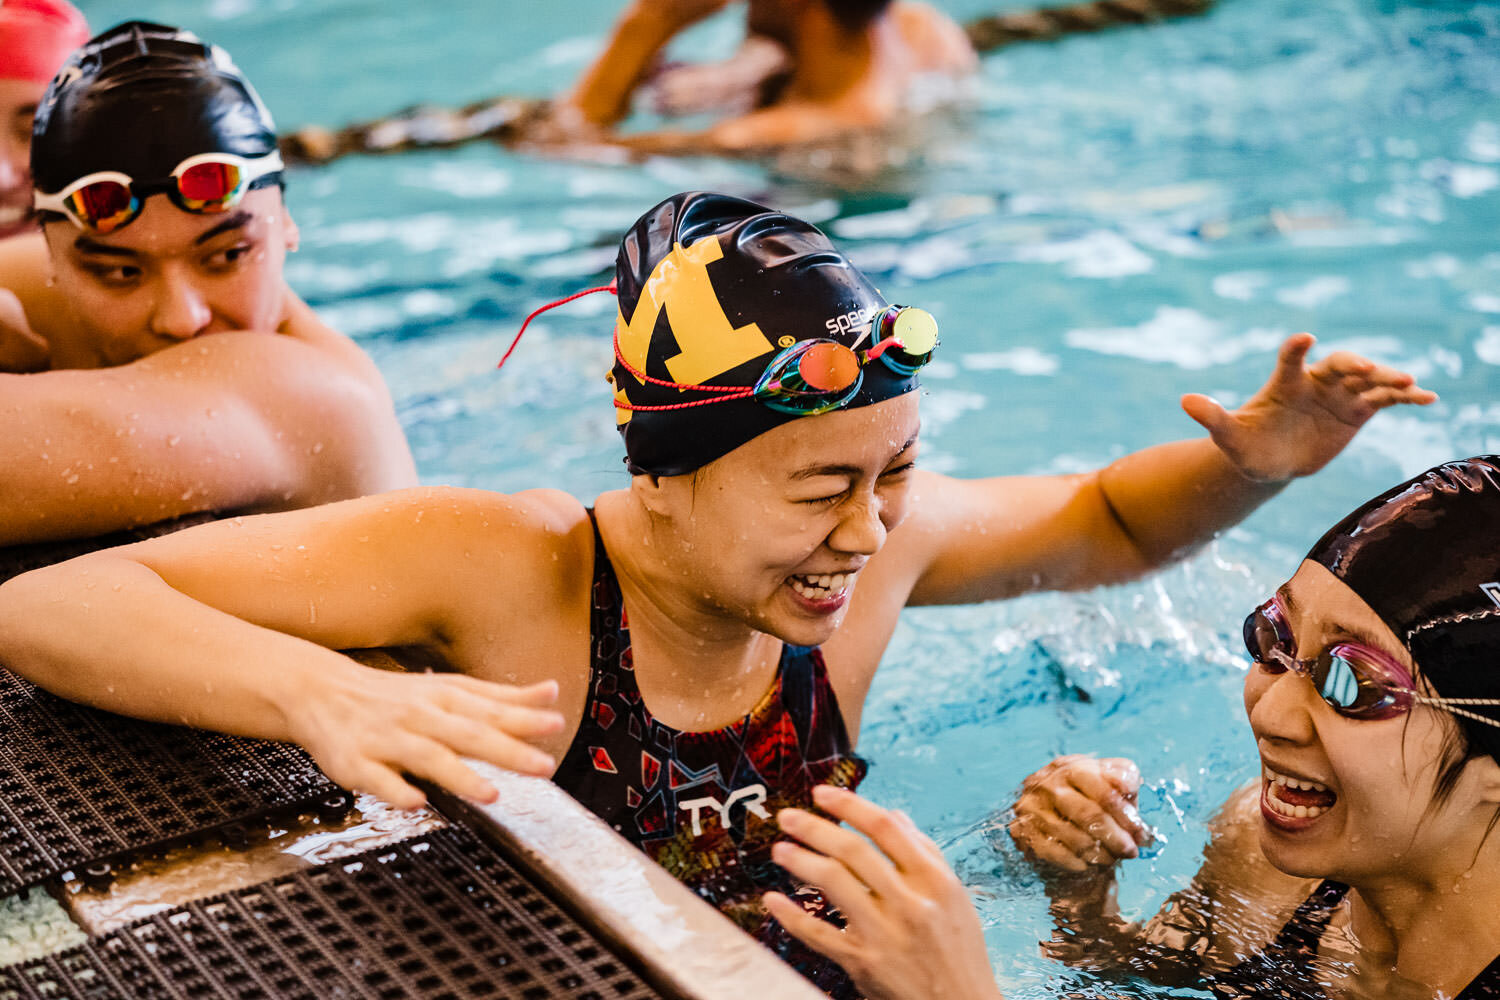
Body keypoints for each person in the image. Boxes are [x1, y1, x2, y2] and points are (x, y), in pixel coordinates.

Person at [0, 192, 1433, 995]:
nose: (873, 533)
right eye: (822, 489)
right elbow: (51, 608)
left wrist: (1252, 467)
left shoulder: (864, 571)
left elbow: (1106, 521)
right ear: (666, 472)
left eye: (899, 473)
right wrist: (324, 690)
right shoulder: (512, 564)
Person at [765, 457, 1500, 1000]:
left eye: (1351, 683)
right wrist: (1083, 898)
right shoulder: (1269, 855)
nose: (1270, 712)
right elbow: (1146, 977)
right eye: (1273, 637)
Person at [0, 21, 416, 550]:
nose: (181, 317)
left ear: (286, 222)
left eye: (225, 257)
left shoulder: (316, 396)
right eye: (121, 273)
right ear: (51, 258)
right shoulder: (33, 283)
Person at [550, 0, 977, 154]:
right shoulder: (927, 33)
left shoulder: (768, 134)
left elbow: (567, 141)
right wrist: (742, 70)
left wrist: (646, 23)